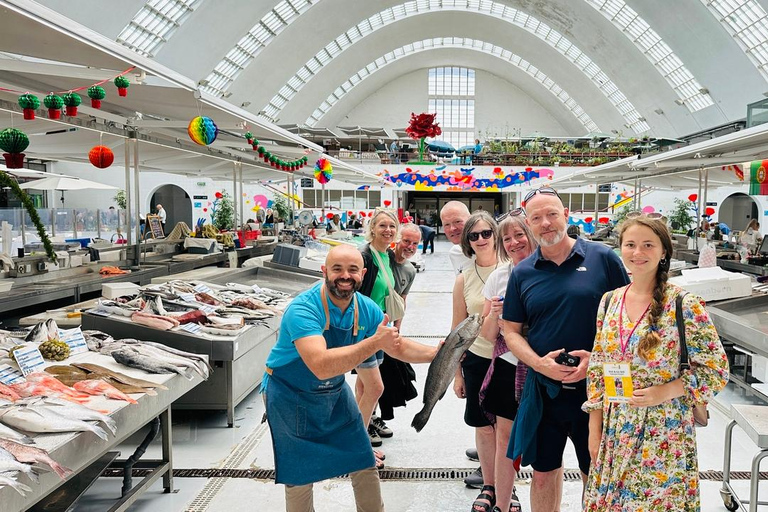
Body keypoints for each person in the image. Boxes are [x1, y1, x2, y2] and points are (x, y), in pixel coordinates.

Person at [262, 245, 437, 512]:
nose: (345, 276)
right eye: (337, 269)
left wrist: (438, 353)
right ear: (324, 271)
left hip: (333, 390)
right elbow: (320, 365)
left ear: (363, 274)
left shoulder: (365, 309)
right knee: (300, 473)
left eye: (353, 270)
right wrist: (373, 343)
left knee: (363, 457)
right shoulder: (304, 309)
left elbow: (398, 347)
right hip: (290, 393)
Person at [583, 216, 729, 510]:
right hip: (616, 426)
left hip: (663, 432)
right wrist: (594, 427)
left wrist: (667, 390)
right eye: (630, 245)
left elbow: (716, 370)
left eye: (648, 245)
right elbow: (598, 366)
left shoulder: (684, 304)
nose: (637, 253)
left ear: (664, 252)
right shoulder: (610, 301)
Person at [501, 187, 630, 512]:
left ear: (566, 215)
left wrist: (597, 361)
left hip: (600, 391)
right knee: (543, 475)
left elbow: (629, 321)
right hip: (547, 393)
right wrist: (538, 364)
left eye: (552, 214)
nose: (545, 223)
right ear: (529, 224)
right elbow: (511, 331)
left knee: (597, 472)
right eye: (537, 218)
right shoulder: (523, 272)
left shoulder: (602, 258)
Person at [476, 211, 537, 512]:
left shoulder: (550, 271)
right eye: (507, 238)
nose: (514, 243)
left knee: (544, 441)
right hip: (507, 364)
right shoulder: (499, 277)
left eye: (519, 235)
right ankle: (502, 502)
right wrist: (495, 314)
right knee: (505, 438)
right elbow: (488, 335)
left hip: (542, 367)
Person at [452, 211, 501, 512]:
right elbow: (456, 329)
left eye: (486, 233)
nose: (481, 239)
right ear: (467, 242)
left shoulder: (513, 268)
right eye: (474, 235)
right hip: (477, 358)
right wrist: (457, 373)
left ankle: (509, 485)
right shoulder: (464, 278)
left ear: (496, 235)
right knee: (483, 426)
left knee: (506, 427)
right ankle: (490, 484)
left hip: (510, 359)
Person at [357, 209, 402, 452]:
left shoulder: (386, 256)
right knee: (374, 385)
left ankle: (366, 422)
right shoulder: (365, 256)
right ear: (372, 228)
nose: (388, 230)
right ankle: (359, 437)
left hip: (380, 328)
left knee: (366, 385)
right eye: (382, 225)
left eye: (392, 226)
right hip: (365, 329)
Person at [440, 200, 472, 274]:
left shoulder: (489, 248)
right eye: (447, 225)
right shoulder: (455, 253)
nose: (452, 228)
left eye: (457, 222)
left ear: (470, 219)